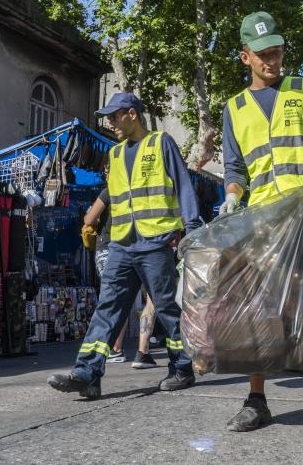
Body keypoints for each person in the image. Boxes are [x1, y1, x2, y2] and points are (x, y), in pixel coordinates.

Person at [219, 11, 303, 431]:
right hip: (264, 217)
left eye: (277, 51)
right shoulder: (234, 108)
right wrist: (232, 198)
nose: (272, 59)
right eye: (263, 54)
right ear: (245, 57)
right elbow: (235, 168)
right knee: (259, 305)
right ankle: (257, 399)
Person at [47, 92, 200, 398]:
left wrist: (193, 229)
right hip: (121, 244)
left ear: (132, 114)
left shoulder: (161, 143)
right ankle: (87, 373)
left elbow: (183, 185)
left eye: (115, 116)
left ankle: (182, 368)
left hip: (155, 241)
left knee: (167, 308)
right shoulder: (114, 155)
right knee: (108, 308)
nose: (111, 123)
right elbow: (113, 196)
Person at [82, 187, 158, 368]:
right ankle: (142, 350)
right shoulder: (143, 189)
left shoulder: (109, 190)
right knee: (150, 298)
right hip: (139, 246)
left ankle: (116, 348)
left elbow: (89, 219)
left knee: (115, 298)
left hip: (109, 248)